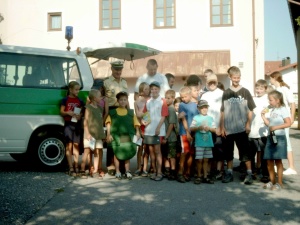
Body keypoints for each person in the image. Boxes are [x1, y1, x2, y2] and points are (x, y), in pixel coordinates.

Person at [220, 66, 256, 185]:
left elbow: (250, 110)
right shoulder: (226, 92)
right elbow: (223, 111)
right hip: (229, 129)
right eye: (234, 78)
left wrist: (248, 124)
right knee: (228, 153)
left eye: (238, 77)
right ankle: (229, 172)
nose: (236, 80)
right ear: (230, 77)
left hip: (241, 128)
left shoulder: (245, 91)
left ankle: (249, 173)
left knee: (245, 153)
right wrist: (222, 126)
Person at [105, 91, 141, 180]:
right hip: (116, 137)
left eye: (125, 100)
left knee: (127, 153)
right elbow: (108, 123)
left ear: (127, 101)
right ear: (117, 101)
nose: (123, 101)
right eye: (121, 100)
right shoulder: (112, 112)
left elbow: (136, 123)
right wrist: (108, 134)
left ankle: (127, 171)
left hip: (128, 137)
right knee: (117, 154)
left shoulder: (131, 113)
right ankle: (117, 171)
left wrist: (137, 132)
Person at [261, 90, 291, 190]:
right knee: (269, 160)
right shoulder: (272, 110)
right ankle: (272, 180)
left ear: (277, 100)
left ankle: (279, 182)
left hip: (279, 137)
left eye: (271, 100)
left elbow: (288, 123)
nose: (269, 102)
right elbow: (269, 125)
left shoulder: (283, 109)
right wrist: (263, 116)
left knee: (278, 160)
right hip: (271, 137)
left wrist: (276, 127)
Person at [269, 71, 297, 175]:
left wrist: (292, 116)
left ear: (274, 78)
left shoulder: (284, 89)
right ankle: (278, 165)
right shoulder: (276, 90)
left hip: (284, 118)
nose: (270, 80)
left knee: (286, 141)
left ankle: (292, 167)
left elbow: (292, 103)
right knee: (276, 141)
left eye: (271, 78)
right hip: (277, 118)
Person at [104, 60, 128, 176]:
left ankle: (122, 165)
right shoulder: (106, 82)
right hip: (112, 110)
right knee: (112, 138)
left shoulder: (125, 82)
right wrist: (106, 114)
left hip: (123, 111)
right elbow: (104, 100)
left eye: (120, 69)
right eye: (116, 69)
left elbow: (126, 99)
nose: (118, 71)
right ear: (112, 69)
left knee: (123, 137)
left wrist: (129, 113)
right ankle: (111, 165)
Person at [143, 81, 168, 181]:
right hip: (149, 130)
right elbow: (146, 114)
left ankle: (159, 172)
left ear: (159, 89)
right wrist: (144, 121)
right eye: (152, 89)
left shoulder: (162, 101)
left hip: (158, 131)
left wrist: (158, 127)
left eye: (156, 89)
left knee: (158, 151)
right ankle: (153, 171)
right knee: (151, 152)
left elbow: (163, 116)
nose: (154, 91)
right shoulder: (148, 101)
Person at [201, 73, 224, 180]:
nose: (212, 84)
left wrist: (221, 126)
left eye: (214, 82)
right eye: (210, 82)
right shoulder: (204, 95)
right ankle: (209, 171)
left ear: (217, 82)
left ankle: (219, 171)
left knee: (219, 150)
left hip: (218, 126)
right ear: (207, 83)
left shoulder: (222, 93)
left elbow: (224, 111)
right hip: (207, 127)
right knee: (208, 151)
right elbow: (202, 111)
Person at [60, 81, 84, 176]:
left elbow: (81, 112)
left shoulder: (80, 100)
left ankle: (76, 165)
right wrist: (68, 112)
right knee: (69, 145)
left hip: (76, 124)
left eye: (78, 89)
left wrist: (80, 116)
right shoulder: (65, 100)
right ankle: (70, 167)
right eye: (76, 89)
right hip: (68, 124)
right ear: (70, 89)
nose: (77, 91)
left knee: (76, 145)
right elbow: (61, 112)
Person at [248, 79, 270, 182]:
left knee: (265, 154)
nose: (259, 90)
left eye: (261, 88)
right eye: (257, 88)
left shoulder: (268, 100)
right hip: (253, 131)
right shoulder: (253, 99)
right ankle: (252, 172)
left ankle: (265, 173)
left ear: (265, 89)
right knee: (251, 154)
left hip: (264, 131)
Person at [81, 89, 106, 179]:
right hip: (90, 134)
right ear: (95, 98)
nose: (101, 98)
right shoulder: (88, 108)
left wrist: (103, 133)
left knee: (97, 152)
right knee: (87, 151)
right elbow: (86, 121)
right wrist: (87, 133)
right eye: (100, 96)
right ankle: (82, 170)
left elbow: (100, 121)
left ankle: (95, 170)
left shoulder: (100, 108)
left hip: (98, 134)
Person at [190, 100, 216, 184]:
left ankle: (205, 176)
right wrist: (198, 128)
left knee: (206, 160)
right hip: (199, 142)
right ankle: (199, 176)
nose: (204, 109)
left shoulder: (210, 118)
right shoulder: (196, 118)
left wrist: (209, 129)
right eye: (202, 108)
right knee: (199, 160)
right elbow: (191, 128)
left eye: (206, 107)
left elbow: (214, 129)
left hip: (208, 142)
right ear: (198, 109)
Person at [177, 86, 198, 183]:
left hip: (194, 132)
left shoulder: (194, 105)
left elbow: (196, 119)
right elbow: (183, 119)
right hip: (184, 132)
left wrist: (194, 132)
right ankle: (180, 173)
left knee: (191, 153)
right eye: (182, 97)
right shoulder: (182, 105)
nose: (183, 99)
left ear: (190, 95)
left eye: (185, 97)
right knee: (184, 152)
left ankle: (188, 173)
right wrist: (188, 132)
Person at [134, 82, 150, 176]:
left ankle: (145, 168)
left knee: (146, 148)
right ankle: (138, 167)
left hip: (148, 126)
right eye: (145, 89)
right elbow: (137, 115)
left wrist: (143, 115)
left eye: (148, 89)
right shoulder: (137, 101)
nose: (147, 91)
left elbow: (149, 114)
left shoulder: (150, 101)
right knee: (140, 148)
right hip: (140, 126)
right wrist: (140, 126)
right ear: (141, 91)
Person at [161, 89, 178, 180]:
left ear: (173, 99)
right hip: (166, 136)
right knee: (166, 155)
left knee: (171, 156)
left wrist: (166, 137)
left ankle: (172, 171)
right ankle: (167, 171)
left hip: (171, 137)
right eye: (165, 98)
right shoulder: (166, 108)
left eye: (168, 98)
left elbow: (171, 124)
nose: (166, 100)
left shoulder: (171, 109)